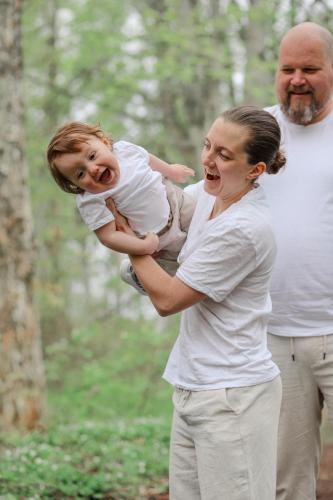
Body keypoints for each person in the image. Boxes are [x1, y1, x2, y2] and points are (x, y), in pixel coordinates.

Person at [112, 106, 285, 499]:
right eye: (208, 145)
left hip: (233, 396)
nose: (207, 159)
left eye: (224, 155)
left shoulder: (246, 228)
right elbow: (162, 223)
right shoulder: (205, 199)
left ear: (256, 170)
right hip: (192, 384)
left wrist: (133, 245)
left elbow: (169, 299)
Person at [260, 22, 333, 500]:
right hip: (275, 333)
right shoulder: (255, 132)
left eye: (310, 68)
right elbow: (207, 203)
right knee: (286, 482)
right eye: (288, 69)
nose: (297, 79)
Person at [46, 122, 196, 293]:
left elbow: (148, 159)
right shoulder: (90, 199)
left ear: (105, 142)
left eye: (92, 156)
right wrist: (143, 248)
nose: (93, 169)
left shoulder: (124, 151)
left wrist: (171, 171)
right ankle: (136, 276)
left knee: (205, 219)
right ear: (75, 185)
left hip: (175, 202)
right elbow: (108, 236)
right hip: (157, 242)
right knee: (177, 276)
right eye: (80, 174)